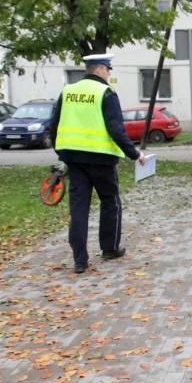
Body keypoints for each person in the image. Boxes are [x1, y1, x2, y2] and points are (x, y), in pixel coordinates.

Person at [51, 53, 147, 274]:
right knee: (110, 202)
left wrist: (61, 152)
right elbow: (116, 130)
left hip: (74, 160)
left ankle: (79, 261)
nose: (109, 73)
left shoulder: (68, 92)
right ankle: (109, 248)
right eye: (108, 69)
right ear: (100, 69)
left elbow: (54, 126)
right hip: (102, 160)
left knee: (78, 209)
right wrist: (135, 154)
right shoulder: (106, 93)